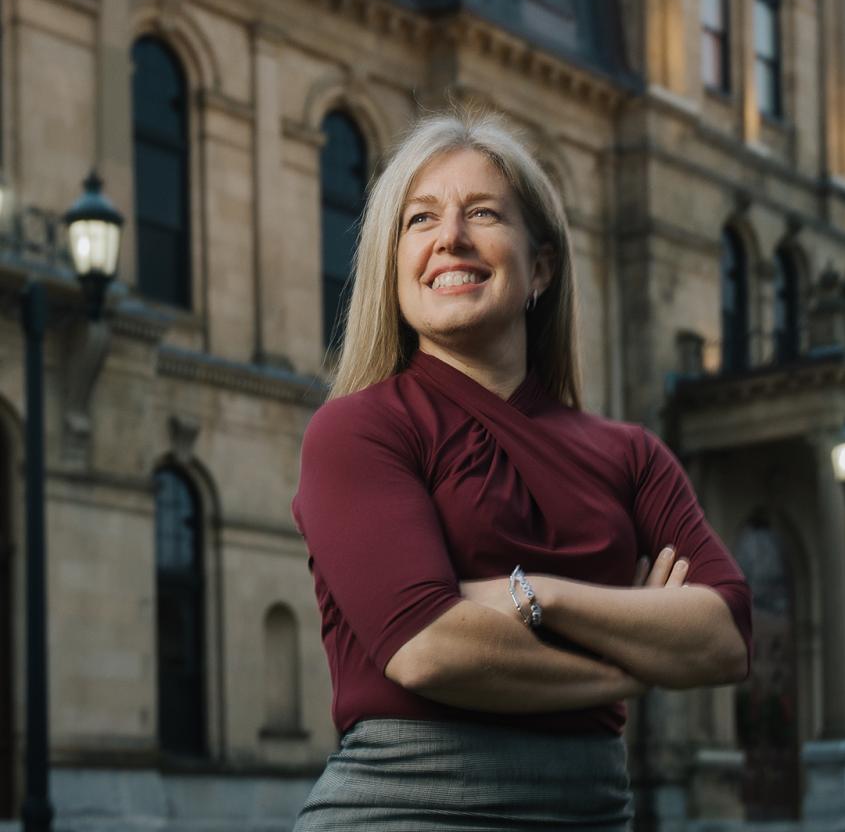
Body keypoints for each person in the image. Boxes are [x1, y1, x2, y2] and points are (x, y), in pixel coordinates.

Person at [291, 110, 752, 831]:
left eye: (482, 213)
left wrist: (535, 596)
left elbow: (723, 635)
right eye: (420, 220)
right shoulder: (359, 430)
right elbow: (429, 647)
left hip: (592, 814)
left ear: (539, 266)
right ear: (394, 267)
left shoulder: (630, 454)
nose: (451, 237)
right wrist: (636, 663)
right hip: (406, 810)